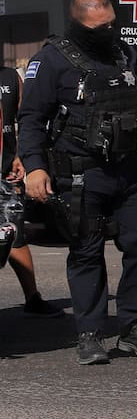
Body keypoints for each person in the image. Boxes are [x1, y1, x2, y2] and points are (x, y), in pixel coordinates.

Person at [19, 0, 137, 365]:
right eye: (98, 28)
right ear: (77, 24)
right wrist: (35, 166)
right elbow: (32, 118)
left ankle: (136, 327)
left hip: (130, 171)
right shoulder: (51, 60)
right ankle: (90, 334)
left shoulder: (124, 54)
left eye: (111, 24)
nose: (108, 32)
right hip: (81, 174)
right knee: (86, 252)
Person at [1, 64, 66, 317]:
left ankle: (33, 298)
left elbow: (26, 119)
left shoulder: (10, 77)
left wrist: (20, 157)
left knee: (13, 234)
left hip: (5, 170)